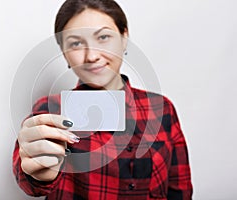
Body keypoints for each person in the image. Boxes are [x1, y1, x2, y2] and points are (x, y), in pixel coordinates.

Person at [12, 0, 193, 199]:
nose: (92, 56)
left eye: (104, 37)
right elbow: (31, 183)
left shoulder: (162, 109)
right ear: (64, 53)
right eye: (76, 43)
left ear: (124, 38)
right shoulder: (50, 111)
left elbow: (180, 191)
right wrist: (39, 174)